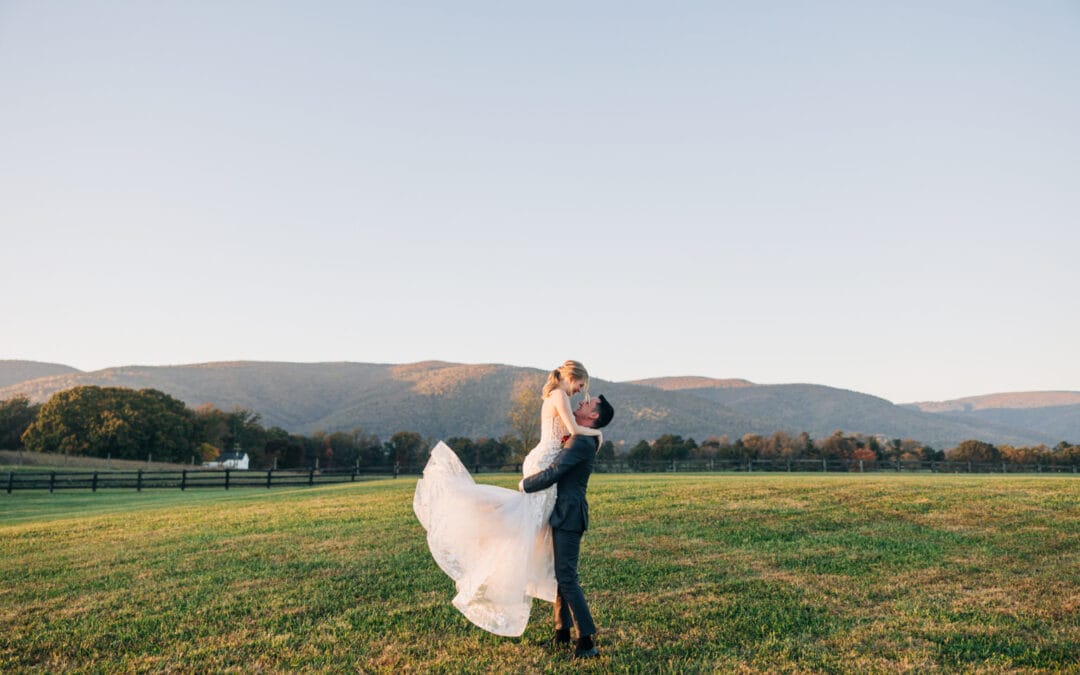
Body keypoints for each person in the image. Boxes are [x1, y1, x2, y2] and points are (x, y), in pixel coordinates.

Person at [412, 360, 602, 637]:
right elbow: (569, 437)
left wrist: (594, 433)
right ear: (571, 376)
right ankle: (494, 535)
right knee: (534, 539)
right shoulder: (560, 398)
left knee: (538, 544)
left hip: (558, 491)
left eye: (585, 394)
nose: (579, 394)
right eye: (581, 386)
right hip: (545, 470)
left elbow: (566, 446)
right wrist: (597, 433)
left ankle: (570, 633)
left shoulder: (567, 416)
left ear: (595, 416)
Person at [520, 393, 614, 659]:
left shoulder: (582, 442)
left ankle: (587, 643)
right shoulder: (583, 437)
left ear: (593, 416)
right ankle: (562, 634)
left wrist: (524, 485)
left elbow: (553, 473)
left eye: (587, 404)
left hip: (570, 515)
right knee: (560, 577)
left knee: (568, 578)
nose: (581, 403)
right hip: (562, 513)